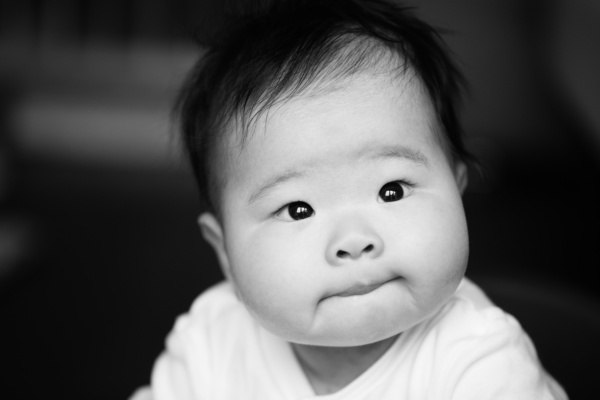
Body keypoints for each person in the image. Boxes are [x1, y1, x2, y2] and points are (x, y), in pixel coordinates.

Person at [132, 0, 568, 398]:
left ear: (457, 190)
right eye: (297, 209)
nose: (355, 239)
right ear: (224, 249)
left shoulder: (481, 363)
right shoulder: (213, 339)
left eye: (391, 190)